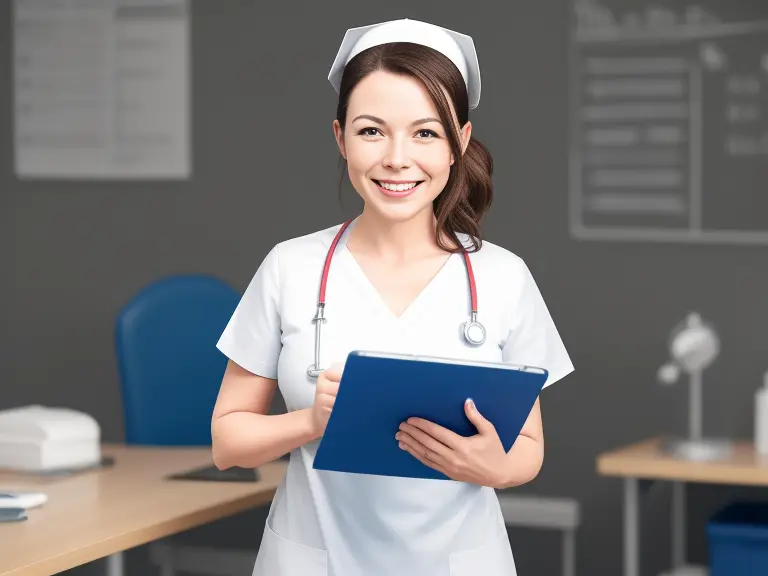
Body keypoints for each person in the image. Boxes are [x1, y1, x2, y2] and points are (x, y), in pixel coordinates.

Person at [211, 17, 574, 576]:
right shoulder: (290, 267)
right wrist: (311, 423)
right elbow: (227, 440)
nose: (397, 158)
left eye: (425, 133)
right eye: (372, 131)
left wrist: (489, 467)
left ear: (460, 143)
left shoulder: (504, 278)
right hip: (313, 559)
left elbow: (528, 448)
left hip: (459, 561)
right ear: (341, 138)